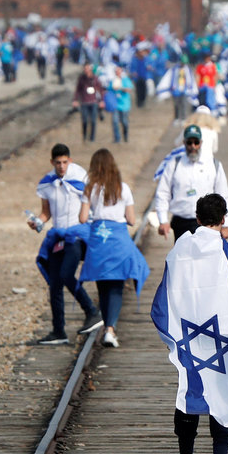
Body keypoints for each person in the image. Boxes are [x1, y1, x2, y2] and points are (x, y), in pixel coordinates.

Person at [151, 193, 228, 454]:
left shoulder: (179, 252)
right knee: (223, 387)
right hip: (223, 335)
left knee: (189, 387)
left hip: (188, 333)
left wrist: (173, 331)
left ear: (197, 218)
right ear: (224, 219)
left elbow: (167, 293)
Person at [30, 143, 103, 345]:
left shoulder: (81, 177)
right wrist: (37, 222)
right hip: (58, 236)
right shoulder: (47, 183)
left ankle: (92, 311)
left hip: (77, 235)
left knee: (66, 274)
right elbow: (46, 213)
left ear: (69, 160)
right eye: (58, 163)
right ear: (52, 162)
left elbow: (94, 204)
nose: (61, 166)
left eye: (64, 162)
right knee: (54, 283)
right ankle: (58, 331)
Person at [78, 148, 149, 348]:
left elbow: (82, 218)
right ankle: (110, 330)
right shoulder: (123, 188)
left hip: (99, 242)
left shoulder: (90, 189)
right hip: (118, 240)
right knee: (116, 286)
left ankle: (107, 325)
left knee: (102, 284)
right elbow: (132, 220)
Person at [155, 124, 228, 241]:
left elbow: (223, 195)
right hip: (181, 223)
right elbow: (163, 193)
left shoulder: (213, 164)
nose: (193, 146)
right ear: (184, 143)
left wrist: (225, 224)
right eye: (189, 143)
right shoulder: (174, 164)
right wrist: (163, 220)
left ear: (201, 143)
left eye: (196, 142)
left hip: (208, 224)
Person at [73, 63, 103, 142]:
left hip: (94, 102)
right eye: (85, 69)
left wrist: (102, 101)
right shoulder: (81, 79)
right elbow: (78, 90)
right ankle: (84, 136)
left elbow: (100, 90)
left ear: (91, 69)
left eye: (88, 69)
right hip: (84, 102)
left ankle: (92, 138)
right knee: (85, 120)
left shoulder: (95, 78)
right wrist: (75, 100)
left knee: (93, 121)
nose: (86, 70)